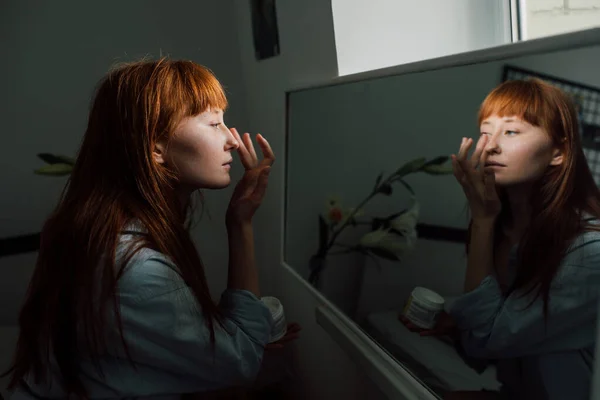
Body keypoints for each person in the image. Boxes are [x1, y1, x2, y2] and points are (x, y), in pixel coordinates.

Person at [2, 58, 300, 399]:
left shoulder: (108, 232)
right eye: (214, 122)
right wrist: (241, 224)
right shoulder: (136, 269)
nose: (232, 139)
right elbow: (240, 362)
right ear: (155, 147)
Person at [402, 78, 600, 400]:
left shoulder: (589, 254)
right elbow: (489, 347)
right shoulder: (505, 228)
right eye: (485, 132)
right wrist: (456, 326)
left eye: (510, 131)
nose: (491, 145)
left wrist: (482, 222)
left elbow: (486, 338)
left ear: (559, 152)